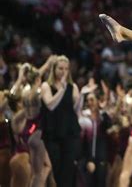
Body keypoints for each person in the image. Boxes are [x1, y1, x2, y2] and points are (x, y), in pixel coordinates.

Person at [41, 55, 81, 187]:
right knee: (54, 167)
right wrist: (62, 89)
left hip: (70, 132)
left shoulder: (72, 86)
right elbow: (51, 105)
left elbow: (76, 109)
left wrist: (83, 96)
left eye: (66, 69)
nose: (63, 72)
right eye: (60, 68)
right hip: (53, 133)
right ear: (54, 69)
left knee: (68, 169)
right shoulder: (46, 85)